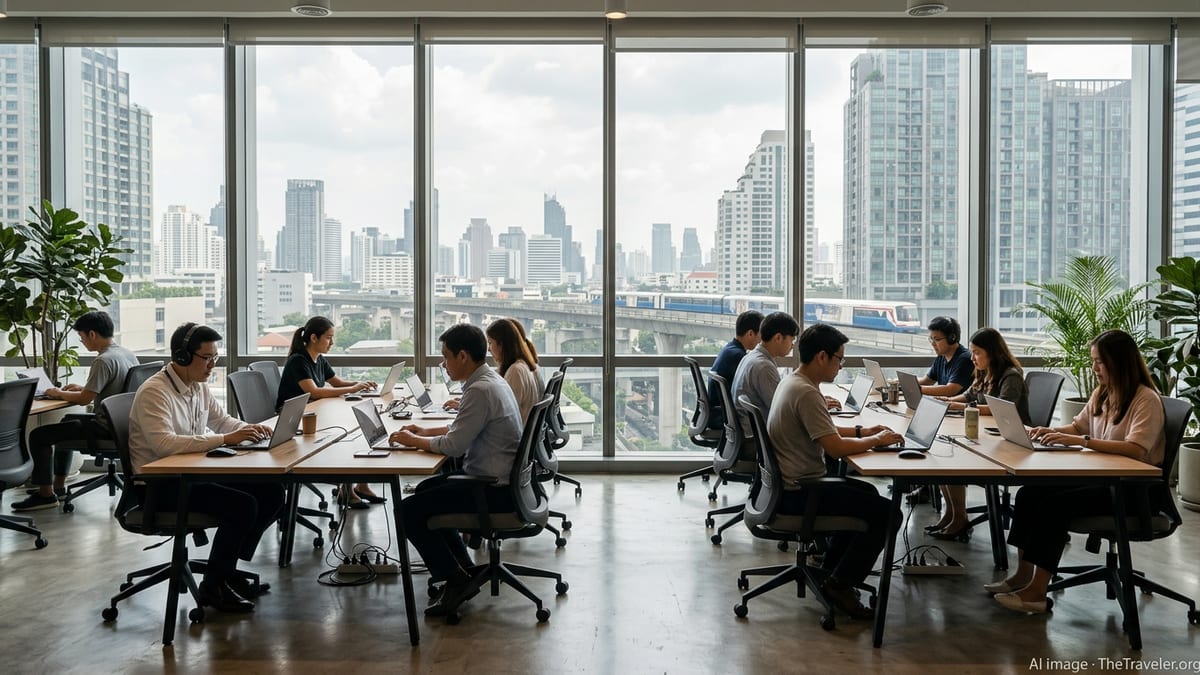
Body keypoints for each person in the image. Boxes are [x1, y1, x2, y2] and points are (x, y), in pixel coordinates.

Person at [987, 329, 1165, 615]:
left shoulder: (1146, 400)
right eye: (1093, 361)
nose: (1094, 368)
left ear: (1120, 362)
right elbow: (1079, 428)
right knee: (1029, 494)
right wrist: (1050, 432)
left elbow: (1136, 450)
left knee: (1055, 506)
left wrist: (1080, 442)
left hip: (1132, 492)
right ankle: (1022, 576)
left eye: (1100, 362)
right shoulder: (1103, 393)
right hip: (1100, 479)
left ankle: (1036, 593)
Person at [128, 323, 285, 614]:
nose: (213, 364)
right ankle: (214, 587)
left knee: (272, 491)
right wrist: (227, 439)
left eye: (216, 357)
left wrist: (250, 429)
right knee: (242, 505)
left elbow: (222, 421)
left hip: (193, 474)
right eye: (207, 358)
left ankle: (227, 571)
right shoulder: (155, 392)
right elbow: (164, 444)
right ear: (183, 357)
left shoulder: (197, 386)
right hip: (160, 486)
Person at [767, 323, 903, 620]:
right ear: (822, 357)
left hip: (789, 487)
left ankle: (832, 572)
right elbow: (836, 449)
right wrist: (876, 440)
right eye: (840, 360)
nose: (841, 367)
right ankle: (841, 585)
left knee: (866, 492)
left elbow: (822, 430)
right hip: (801, 492)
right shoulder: (806, 392)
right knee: (889, 513)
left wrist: (861, 429)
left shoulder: (793, 382)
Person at [388, 323, 523, 617]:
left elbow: (454, 445)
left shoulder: (480, 390)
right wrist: (424, 432)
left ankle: (454, 576)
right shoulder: (489, 381)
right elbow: (462, 428)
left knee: (406, 511)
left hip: (491, 490)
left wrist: (414, 440)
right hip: (502, 483)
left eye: (445, 356)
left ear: (463, 356)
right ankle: (462, 571)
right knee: (425, 490)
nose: (443, 363)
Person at [13, 311, 139, 512]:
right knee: (66, 421)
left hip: (104, 428)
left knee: (38, 436)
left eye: (82, 339)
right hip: (122, 424)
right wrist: (83, 387)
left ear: (92, 334)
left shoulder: (103, 360)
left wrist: (57, 392)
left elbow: (85, 400)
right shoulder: (126, 354)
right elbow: (114, 387)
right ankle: (58, 487)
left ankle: (45, 495)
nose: (83, 343)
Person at [928, 327, 1030, 541]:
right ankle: (952, 514)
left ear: (992, 353)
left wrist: (960, 408)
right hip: (987, 435)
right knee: (943, 453)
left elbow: (1000, 409)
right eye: (972, 352)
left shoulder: (1010, 375)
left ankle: (960, 519)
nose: (972, 357)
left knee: (952, 461)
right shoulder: (984, 371)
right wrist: (947, 402)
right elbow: (968, 395)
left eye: (977, 353)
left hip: (1009, 442)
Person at [277, 316, 380, 508]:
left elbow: (337, 383)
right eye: (328, 338)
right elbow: (314, 391)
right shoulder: (298, 361)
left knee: (354, 430)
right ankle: (347, 491)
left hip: (313, 414)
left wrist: (360, 385)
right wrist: (352, 389)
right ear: (314, 338)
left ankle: (360, 486)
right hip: (295, 419)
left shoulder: (319, 360)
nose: (332, 342)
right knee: (344, 435)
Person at [731, 311, 801, 431]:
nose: (793, 346)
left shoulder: (751, 356)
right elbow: (782, 411)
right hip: (758, 437)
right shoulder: (764, 367)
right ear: (778, 338)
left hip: (748, 431)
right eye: (792, 340)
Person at [707, 310, 762, 431]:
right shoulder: (738, 356)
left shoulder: (729, 349)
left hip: (716, 412)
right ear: (751, 333)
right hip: (723, 416)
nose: (760, 341)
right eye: (760, 335)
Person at [485, 318, 543, 422]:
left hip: (514, 434)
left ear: (501, 344)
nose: (489, 349)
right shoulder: (521, 365)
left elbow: (504, 413)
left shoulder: (515, 371)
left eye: (490, 343)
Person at [918, 316, 974, 396]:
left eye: (937, 339)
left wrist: (915, 388)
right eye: (931, 339)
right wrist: (900, 383)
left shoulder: (965, 359)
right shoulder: (941, 356)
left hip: (959, 407)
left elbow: (950, 389)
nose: (932, 343)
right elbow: (927, 381)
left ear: (952, 338)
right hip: (945, 405)